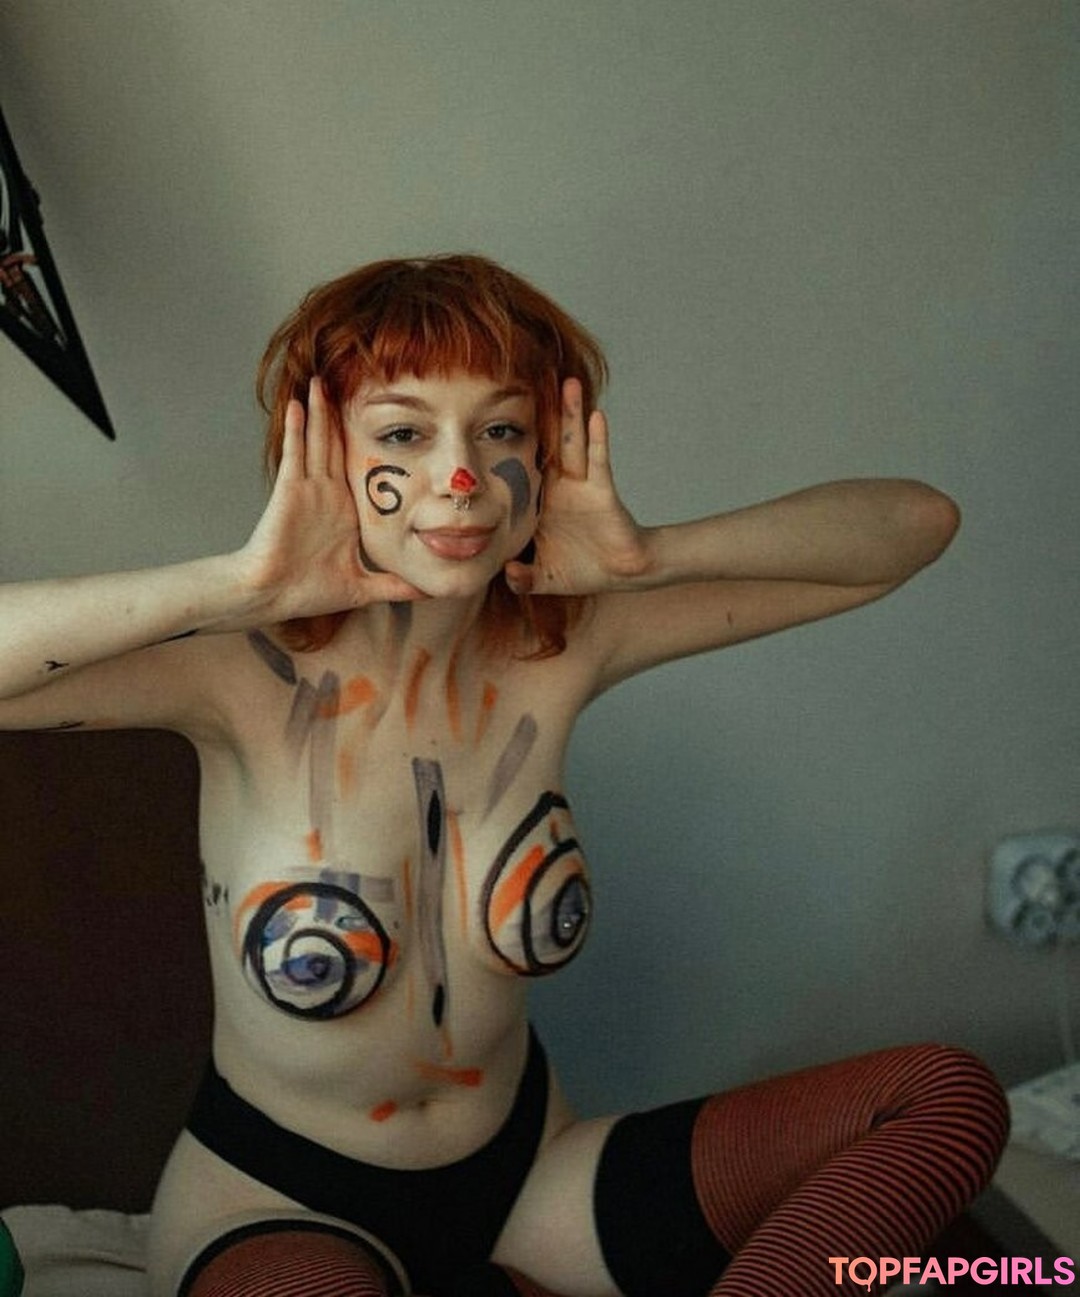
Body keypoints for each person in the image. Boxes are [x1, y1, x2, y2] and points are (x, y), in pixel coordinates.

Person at [0, 254, 1007, 1297]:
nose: (462, 477)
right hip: (284, 1195)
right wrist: (239, 583)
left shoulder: (562, 645)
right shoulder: (236, 673)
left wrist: (649, 555)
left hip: (531, 1177)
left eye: (501, 431)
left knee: (944, 1097)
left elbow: (914, 527)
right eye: (403, 433)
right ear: (322, 451)